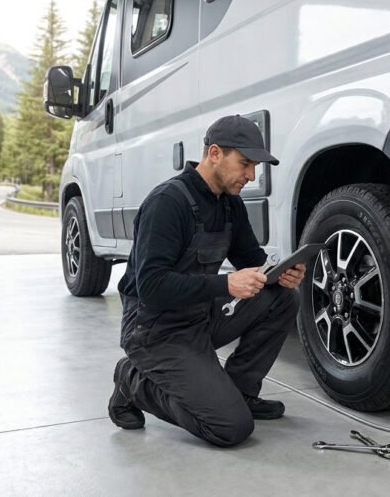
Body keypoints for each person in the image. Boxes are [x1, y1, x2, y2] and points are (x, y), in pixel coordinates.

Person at [108, 114, 306, 447]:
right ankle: (132, 380)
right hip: (155, 331)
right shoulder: (167, 203)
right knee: (230, 428)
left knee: (283, 299)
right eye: (245, 164)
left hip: (200, 316)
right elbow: (152, 288)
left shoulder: (229, 205)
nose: (251, 175)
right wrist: (226, 285)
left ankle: (240, 391)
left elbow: (251, 260)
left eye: (255, 167)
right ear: (214, 153)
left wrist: (281, 273)